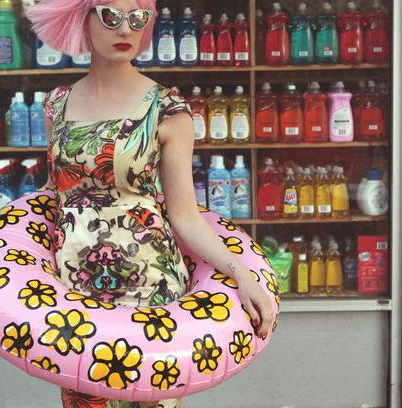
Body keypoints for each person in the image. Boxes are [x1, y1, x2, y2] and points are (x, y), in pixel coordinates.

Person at [26, 1, 275, 407]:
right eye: (111, 15)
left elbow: (184, 215)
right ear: (82, 18)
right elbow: (56, 194)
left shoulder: (167, 108)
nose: (126, 29)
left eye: (138, 18)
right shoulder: (56, 104)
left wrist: (240, 273)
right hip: (76, 294)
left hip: (150, 288)